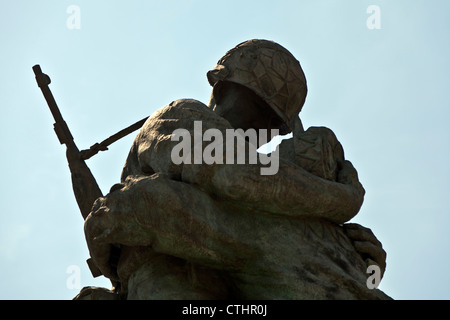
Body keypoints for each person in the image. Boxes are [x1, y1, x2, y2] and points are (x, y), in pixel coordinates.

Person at [81, 40, 389, 299]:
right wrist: (345, 199)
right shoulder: (180, 116)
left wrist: (357, 264)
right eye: (260, 109)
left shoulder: (268, 179)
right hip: (169, 281)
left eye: (275, 126)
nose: (265, 131)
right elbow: (234, 176)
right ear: (222, 89)